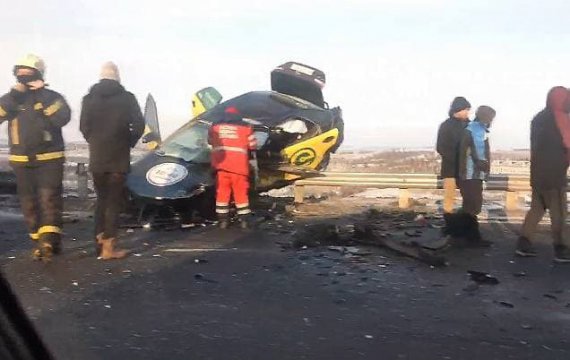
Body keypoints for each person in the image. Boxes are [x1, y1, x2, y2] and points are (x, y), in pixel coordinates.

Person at [0, 54, 71, 261]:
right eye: (20, 73)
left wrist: (41, 95)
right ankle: (39, 241)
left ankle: (48, 241)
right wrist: (13, 97)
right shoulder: (11, 99)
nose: (23, 77)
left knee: (49, 199)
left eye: (27, 73)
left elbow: (62, 118)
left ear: (38, 74)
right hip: (22, 160)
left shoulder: (51, 96)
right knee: (29, 204)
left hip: (50, 157)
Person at [79, 62, 144, 259]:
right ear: (117, 77)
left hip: (97, 155)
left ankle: (98, 243)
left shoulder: (89, 98)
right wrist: (128, 141)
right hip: (118, 155)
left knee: (101, 199)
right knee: (114, 202)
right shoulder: (128, 98)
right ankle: (109, 248)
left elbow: (84, 127)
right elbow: (139, 124)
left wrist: (96, 142)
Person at [516, 86, 570, 262]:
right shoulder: (560, 119)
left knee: (537, 209)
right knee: (559, 213)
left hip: (538, 173)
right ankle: (561, 248)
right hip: (554, 174)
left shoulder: (538, 118)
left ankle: (524, 243)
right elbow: (567, 145)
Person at [208, 106, 257, 229]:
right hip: (239, 167)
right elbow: (253, 145)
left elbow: (209, 141)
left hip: (221, 166)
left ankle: (223, 222)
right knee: (241, 194)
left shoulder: (215, 127)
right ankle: (244, 221)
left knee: (222, 194)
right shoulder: (246, 127)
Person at [457, 105, 496, 246]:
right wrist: (463, 172)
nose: (492, 121)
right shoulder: (472, 130)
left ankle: (460, 234)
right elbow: (469, 152)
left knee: (471, 205)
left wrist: (486, 170)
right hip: (470, 173)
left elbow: (485, 152)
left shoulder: (480, 130)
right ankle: (471, 237)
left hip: (475, 174)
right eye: (491, 118)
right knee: (473, 206)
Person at [436, 96, 471, 232]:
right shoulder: (446, 126)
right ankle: (449, 225)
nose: (467, 113)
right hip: (450, 168)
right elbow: (441, 147)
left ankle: (466, 224)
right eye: (465, 110)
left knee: (468, 198)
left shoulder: (470, 125)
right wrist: (456, 158)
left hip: (467, 169)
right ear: (457, 110)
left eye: (468, 110)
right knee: (449, 198)